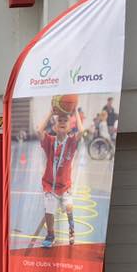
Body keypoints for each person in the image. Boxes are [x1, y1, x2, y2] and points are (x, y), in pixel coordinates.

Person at [36, 104, 83, 248]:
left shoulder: (71, 142)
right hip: (49, 185)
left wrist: (75, 111)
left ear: (70, 127)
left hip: (64, 186)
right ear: (55, 127)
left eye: (65, 121)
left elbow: (82, 131)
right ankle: (50, 235)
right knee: (49, 211)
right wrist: (51, 112)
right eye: (59, 121)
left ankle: (71, 229)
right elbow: (39, 130)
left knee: (69, 207)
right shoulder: (50, 141)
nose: (62, 122)